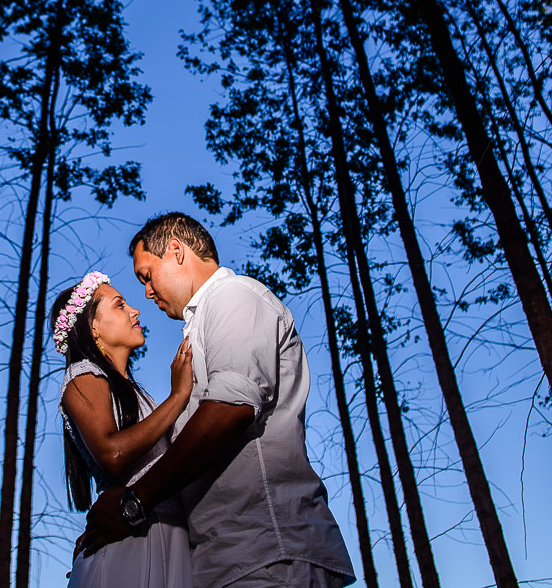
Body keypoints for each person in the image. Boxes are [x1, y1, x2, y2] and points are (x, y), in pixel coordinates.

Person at [80, 213, 356, 588]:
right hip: (221, 561)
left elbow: (230, 409)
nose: (146, 292)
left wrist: (136, 503)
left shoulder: (234, 297)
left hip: (268, 552)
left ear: (176, 251)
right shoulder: (202, 325)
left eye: (147, 275)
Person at [56, 270, 195, 588]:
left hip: (166, 533)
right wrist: (178, 398)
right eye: (120, 305)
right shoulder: (82, 375)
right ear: (93, 326)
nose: (135, 310)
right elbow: (112, 453)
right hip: (131, 543)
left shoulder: (135, 393)